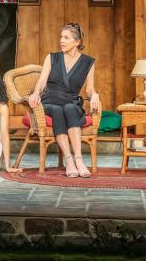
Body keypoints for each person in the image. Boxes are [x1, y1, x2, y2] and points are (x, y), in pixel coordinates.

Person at [28, 23, 100, 178]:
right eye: (61, 37)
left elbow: (89, 88)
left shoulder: (88, 62)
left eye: (66, 38)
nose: (62, 40)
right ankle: (69, 160)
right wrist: (35, 93)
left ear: (77, 42)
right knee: (58, 110)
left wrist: (95, 95)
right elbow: (42, 81)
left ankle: (78, 160)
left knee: (68, 108)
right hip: (50, 101)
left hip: (71, 102)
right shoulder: (52, 57)